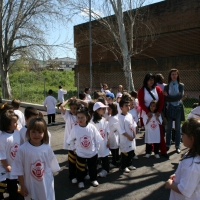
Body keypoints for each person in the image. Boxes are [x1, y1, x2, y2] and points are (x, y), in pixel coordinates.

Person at [11, 118, 60, 200]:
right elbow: (19, 170)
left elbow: (53, 167)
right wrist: (22, 186)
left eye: (39, 132)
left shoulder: (47, 148)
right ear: (28, 132)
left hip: (46, 186)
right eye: (33, 132)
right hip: (30, 186)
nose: (36, 135)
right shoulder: (22, 149)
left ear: (44, 133)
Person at [67, 108, 103, 188]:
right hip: (80, 153)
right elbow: (70, 140)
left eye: (82, 117)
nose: (80, 119)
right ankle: (80, 181)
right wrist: (74, 148)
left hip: (92, 153)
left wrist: (96, 149)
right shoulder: (75, 129)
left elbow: (98, 139)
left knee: (93, 167)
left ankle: (93, 179)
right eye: (78, 117)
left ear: (87, 117)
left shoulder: (92, 127)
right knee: (80, 169)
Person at [165, 118, 200, 200]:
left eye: (183, 134)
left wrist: (170, 184)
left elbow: (184, 190)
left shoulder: (192, 164)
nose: (182, 136)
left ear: (192, 138)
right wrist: (177, 176)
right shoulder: (193, 154)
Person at [138, 73, 168, 158]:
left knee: (159, 132)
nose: (151, 81)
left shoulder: (158, 89)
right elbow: (141, 103)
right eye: (149, 79)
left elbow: (161, 101)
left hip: (157, 114)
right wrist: (148, 112)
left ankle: (162, 151)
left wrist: (158, 112)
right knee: (149, 132)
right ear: (146, 80)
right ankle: (149, 150)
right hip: (147, 114)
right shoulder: (142, 90)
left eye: (152, 79)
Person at [0, 110, 21, 200]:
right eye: (14, 122)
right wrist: (6, 165)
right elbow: (1, 153)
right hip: (4, 166)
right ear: (7, 123)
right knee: (2, 184)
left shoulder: (16, 133)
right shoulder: (3, 137)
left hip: (14, 165)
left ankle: (14, 197)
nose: (16, 124)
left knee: (13, 184)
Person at [60, 98, 81, 183]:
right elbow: (61, 106)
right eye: (71, 108)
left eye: (75, 108)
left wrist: (79, 100)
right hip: (71, 143)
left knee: (80, 159)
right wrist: (68, 100)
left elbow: (87, 105)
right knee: (72, 160)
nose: (73, 110)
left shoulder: (80, 116)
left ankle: (82, 174)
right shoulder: (68, 116)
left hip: (79, 142)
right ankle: (72, 176)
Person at [164, 69, 184, 154]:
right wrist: (172, 97)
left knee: (178, 128)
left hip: (178, 108)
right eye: (172, 74)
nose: (174, 76)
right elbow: (165, 98)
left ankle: (177, 145)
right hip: (169, 108)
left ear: (178, 75)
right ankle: (168, 144)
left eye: (175, 74)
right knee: (169, 128)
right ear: (170, 75)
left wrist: (169, 96)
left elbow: (179, 98)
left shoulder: (181, 85)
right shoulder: (166, 86)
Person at [90, 102, 110, 178]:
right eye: (103, 109)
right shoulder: (91, 122)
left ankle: (105, 170)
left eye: (105, 108)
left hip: (104, 143)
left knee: (105, 156)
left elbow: (107, 131)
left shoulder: (104, 120)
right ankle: (93, 172)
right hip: (95, 143)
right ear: (97, 110)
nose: (105, 110)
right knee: (95, 157)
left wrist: (108, 140)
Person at [118, 99, 137, 173]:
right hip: (125, 138)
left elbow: (133, 125)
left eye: (129, 105)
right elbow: (121, 130)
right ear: (121, 107)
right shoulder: (120, 118)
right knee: (125, 153)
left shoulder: (130, 115)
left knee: (131, 152)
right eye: (126, 106)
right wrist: (128, 136)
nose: (128, 107)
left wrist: (134, 134)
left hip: (131, 137)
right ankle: (123, 166)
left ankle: (130, 164)